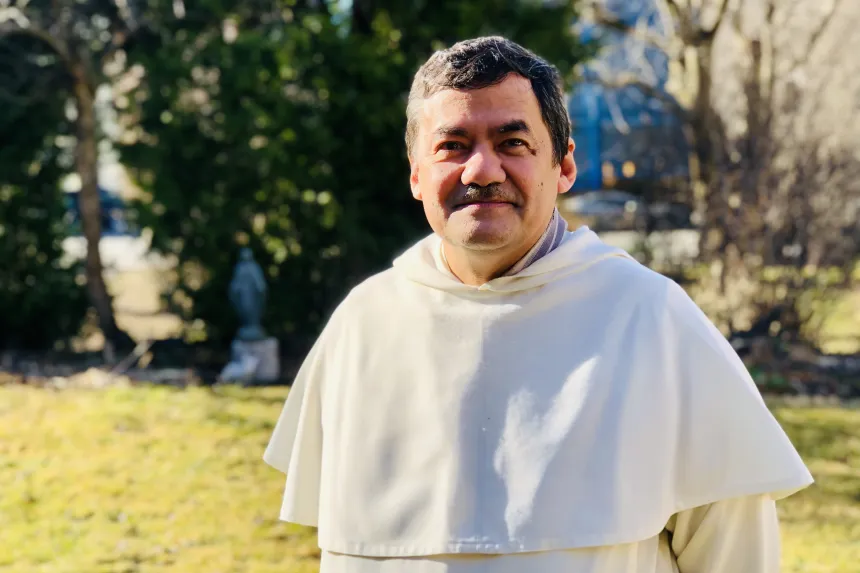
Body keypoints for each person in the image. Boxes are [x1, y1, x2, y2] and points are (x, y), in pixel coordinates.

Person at [263, 36, 813, 573]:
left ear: (564, 166)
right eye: (453, 146)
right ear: (415, 173)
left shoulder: (651, 318)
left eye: (512, 143)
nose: (482, 171)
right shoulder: (362, 324)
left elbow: (733, 551)